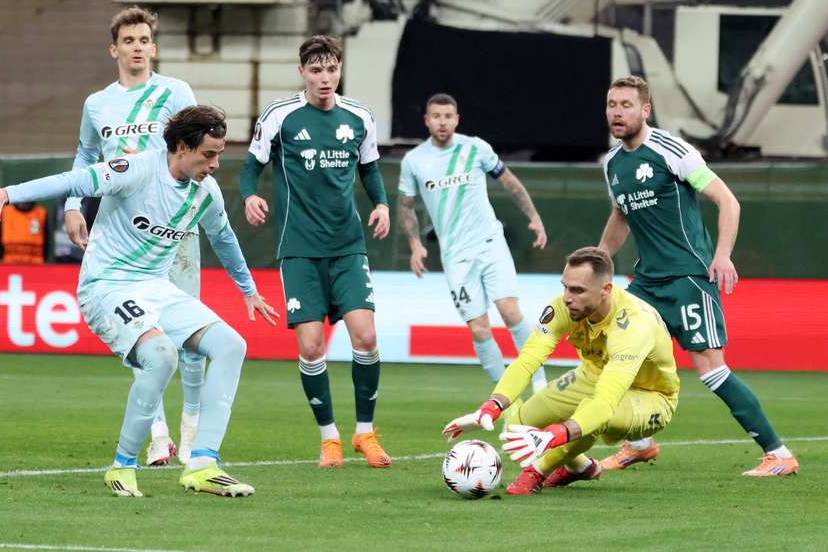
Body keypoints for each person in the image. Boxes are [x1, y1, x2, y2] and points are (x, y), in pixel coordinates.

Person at [0, 105, 279, 497]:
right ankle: (123, 466)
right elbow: (76, 179)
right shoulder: (136, 170)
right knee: (162, 356)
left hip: (156, 286)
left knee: (230, 344)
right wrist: (9, 193)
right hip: (106, 285)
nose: (216, 164)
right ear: (182, 148)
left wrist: (249, 290)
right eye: (209, 154)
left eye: (219, 154)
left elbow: (224, 239)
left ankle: (203, 463)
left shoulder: (206, 193)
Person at [598, 76, 798, 476]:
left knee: (710, 368)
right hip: (645, 284)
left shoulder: (670, 150)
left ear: (645, 110)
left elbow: (727, 200)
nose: (617, 112)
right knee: (621, 355)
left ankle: (778, 454)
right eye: (611, 104)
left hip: (688, 276)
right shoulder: (612, 164)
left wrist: (722, 256)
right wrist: (599, 259)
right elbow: (622, 215)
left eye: (625, 105)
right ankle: (639, 445)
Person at [239, 35, 392, 469]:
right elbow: (251, 168)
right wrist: (250, 196)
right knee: (310, 348)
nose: (325, 78)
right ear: (302, 72)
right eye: (316, 70)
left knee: (366, 336)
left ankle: (365, 433)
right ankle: (330, 439)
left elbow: (370, 169)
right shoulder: (279, 117)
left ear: (339, 70)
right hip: (299, 249)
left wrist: (380, 204)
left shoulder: (359, 117)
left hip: (348, 247)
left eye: (332, 69)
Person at [64, 6, 203, 466]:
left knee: (192, 339)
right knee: (146, 336)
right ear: (114, 49)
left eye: (145, 40)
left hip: (174, 229)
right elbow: (85, 154)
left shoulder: (174, 92)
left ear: (154, 48)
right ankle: (159, 437)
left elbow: (198, 148)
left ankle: (191, 436)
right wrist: (71, 203)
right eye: (129, 41)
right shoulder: (97, 104)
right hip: (122, 236)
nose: (138, 48)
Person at [443, 247, 679, 496]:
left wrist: (555, 434)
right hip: (593, 375)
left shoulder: (633, 326)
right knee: (517, 427)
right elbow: (528, 359)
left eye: (577, 290)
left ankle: (537, 472)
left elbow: (604, 402)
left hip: (651, 396)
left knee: (596, 416)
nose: (567, 297)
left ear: (606, 290)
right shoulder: (563, 307)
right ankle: (582, 467)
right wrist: (492, 406)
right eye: (565, 287)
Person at [397, 93, 548, 397]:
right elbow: (405, 206)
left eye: (448, 116)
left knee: (509, 311)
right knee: (479, 328)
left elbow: (510, 182)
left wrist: (533, 216)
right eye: (436, 116)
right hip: (455, 256)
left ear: (457, 119)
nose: (443, 122)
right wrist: (415, 244)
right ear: (427, 120)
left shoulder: (476, 148)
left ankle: (540, 384)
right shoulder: (414, 161)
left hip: (490, 243)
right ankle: (507, 401)